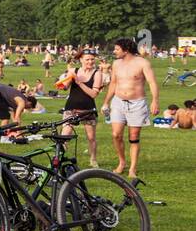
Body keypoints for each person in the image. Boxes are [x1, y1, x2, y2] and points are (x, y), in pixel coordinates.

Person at [100, 37, 159, 179]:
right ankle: (122, 162)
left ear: (125, 50)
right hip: (118, 102)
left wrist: (155, 101)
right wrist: (106, 102)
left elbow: (152, 82)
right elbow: (113, 83)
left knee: (133, 136)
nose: (114, 51)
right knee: (116, 134)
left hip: (137, 103)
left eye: (117, 49)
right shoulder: (116, 64)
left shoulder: (143, 63)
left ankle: (133, 168)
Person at [62, 50, 104, 167]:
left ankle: (93, 159)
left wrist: (79, 82)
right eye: (87, 59)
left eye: (92, 59)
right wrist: (64, 82)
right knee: (65, 135)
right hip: (71, 107)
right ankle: (59, 158)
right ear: (81, 60)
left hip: (88, 109)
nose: (90, 61)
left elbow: (93, 94)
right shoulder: (73, 71)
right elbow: (64, 87)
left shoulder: (97, 73)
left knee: (91, 137)